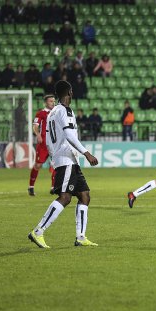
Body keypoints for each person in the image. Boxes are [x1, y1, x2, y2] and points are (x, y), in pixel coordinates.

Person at [28, 80, 100, 249]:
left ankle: (81, 237)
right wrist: (86, 153)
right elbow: (69, 135)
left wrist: (54, 156)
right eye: (72, 92)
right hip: (66, 160)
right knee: (65, 197)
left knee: (84, 195)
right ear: (69, 93)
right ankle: (38, 231)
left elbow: (47, 139)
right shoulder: (65, 110)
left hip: (67, 159)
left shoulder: (52, 112)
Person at [28, 95, 57, 197]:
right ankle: (31, 187)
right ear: (46, 103)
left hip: (55, 144)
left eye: (54, 101)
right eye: (50, 101)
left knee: (56, 165)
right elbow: (35, 126)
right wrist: (38, 134)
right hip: (43, 144)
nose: (53, 103)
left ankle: (53, 187)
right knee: (38, 165)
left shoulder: (57, 113)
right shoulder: (41, 113)